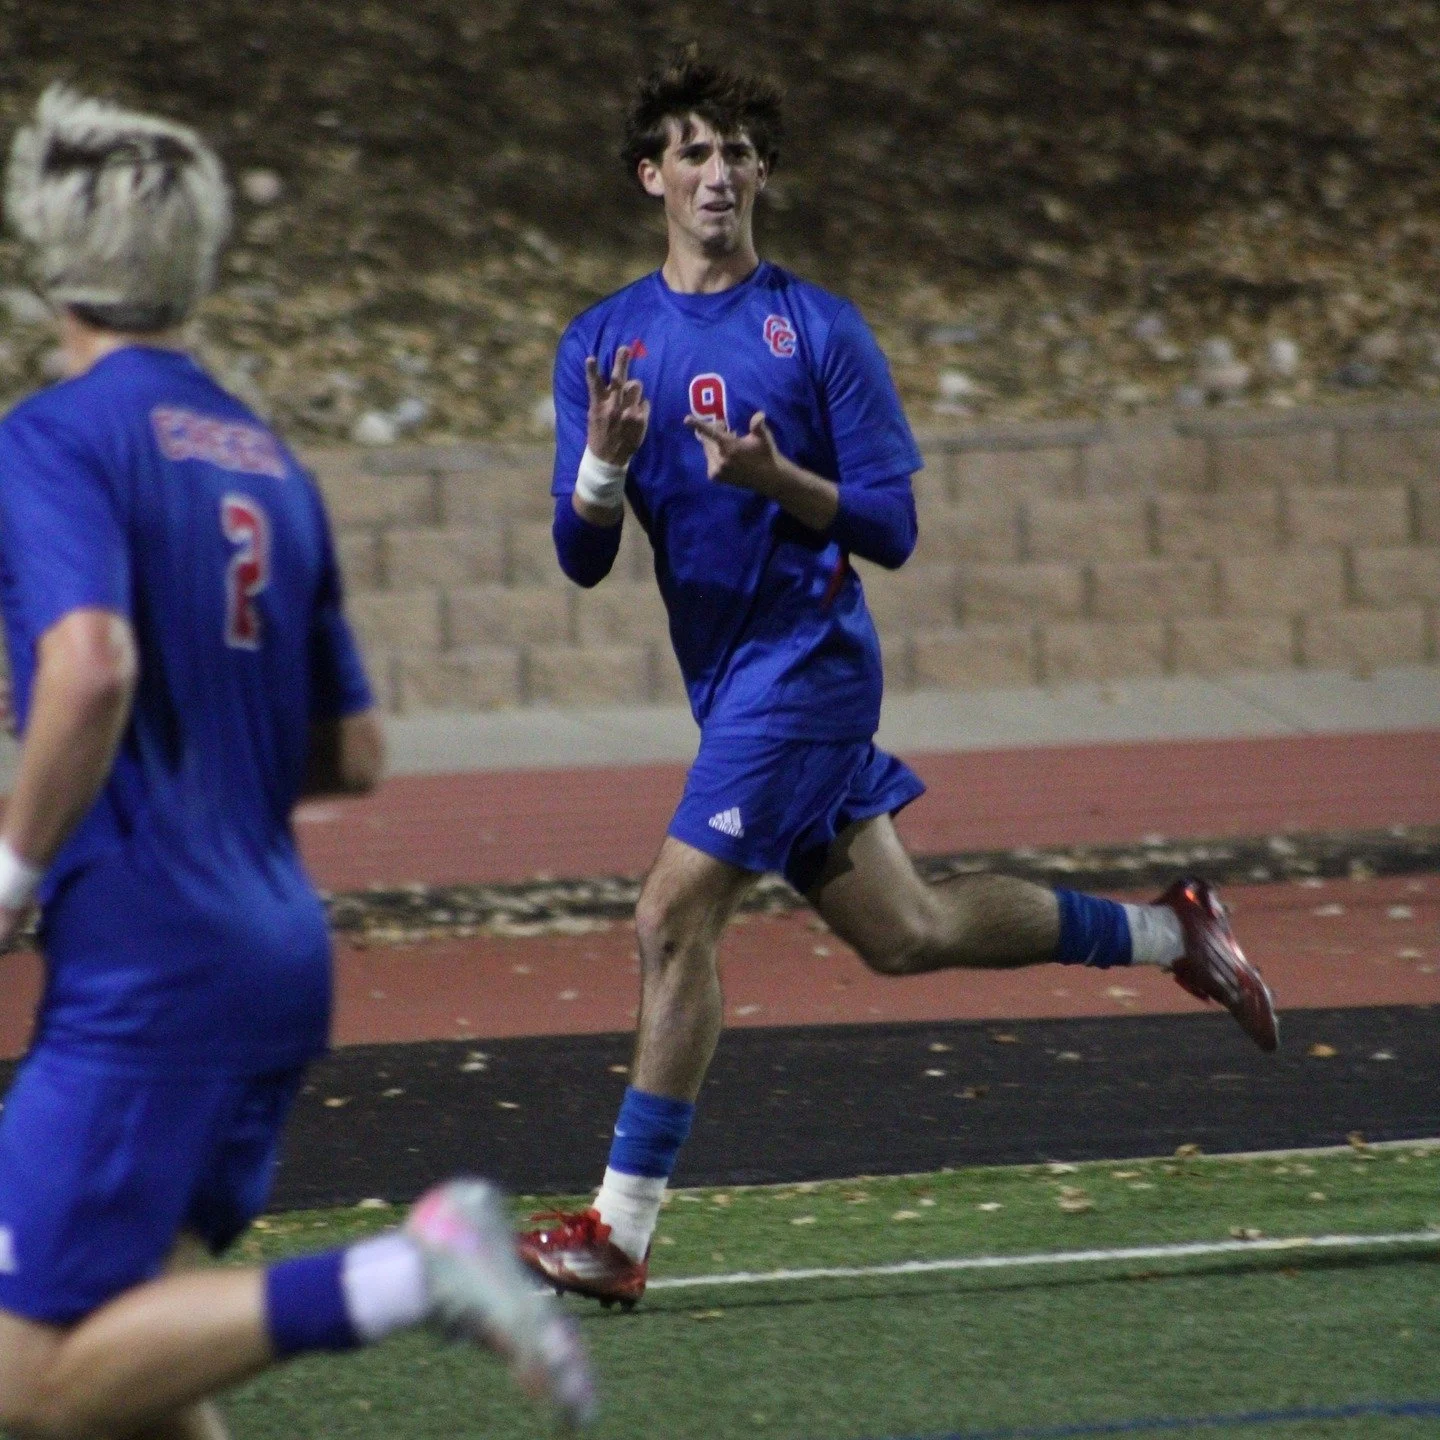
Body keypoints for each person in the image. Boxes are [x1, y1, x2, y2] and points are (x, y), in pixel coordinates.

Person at [521, 56, 1279, 1309]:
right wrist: (602, 467)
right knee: (907, 932)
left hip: (810, 669)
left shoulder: (818, 330)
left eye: (740, 153)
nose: (719, 172)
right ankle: (1174, 931)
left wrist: (783, 487)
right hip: (733, 685)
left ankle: (619, 1229)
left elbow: (892, 530)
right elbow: (581, 556)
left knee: (670, 916)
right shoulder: (600, 343)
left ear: (764, 174)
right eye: (694, 151)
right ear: (649, 174)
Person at [0, 87, 592, 1438]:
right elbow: (357, 748)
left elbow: (90, 667)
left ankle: (409, 1271)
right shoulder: (261, 454)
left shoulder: (53, 435)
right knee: (142, 1336)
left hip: (149, 968)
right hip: (270, 955)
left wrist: (12, 870)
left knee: (23, 1382)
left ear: (47, 251)